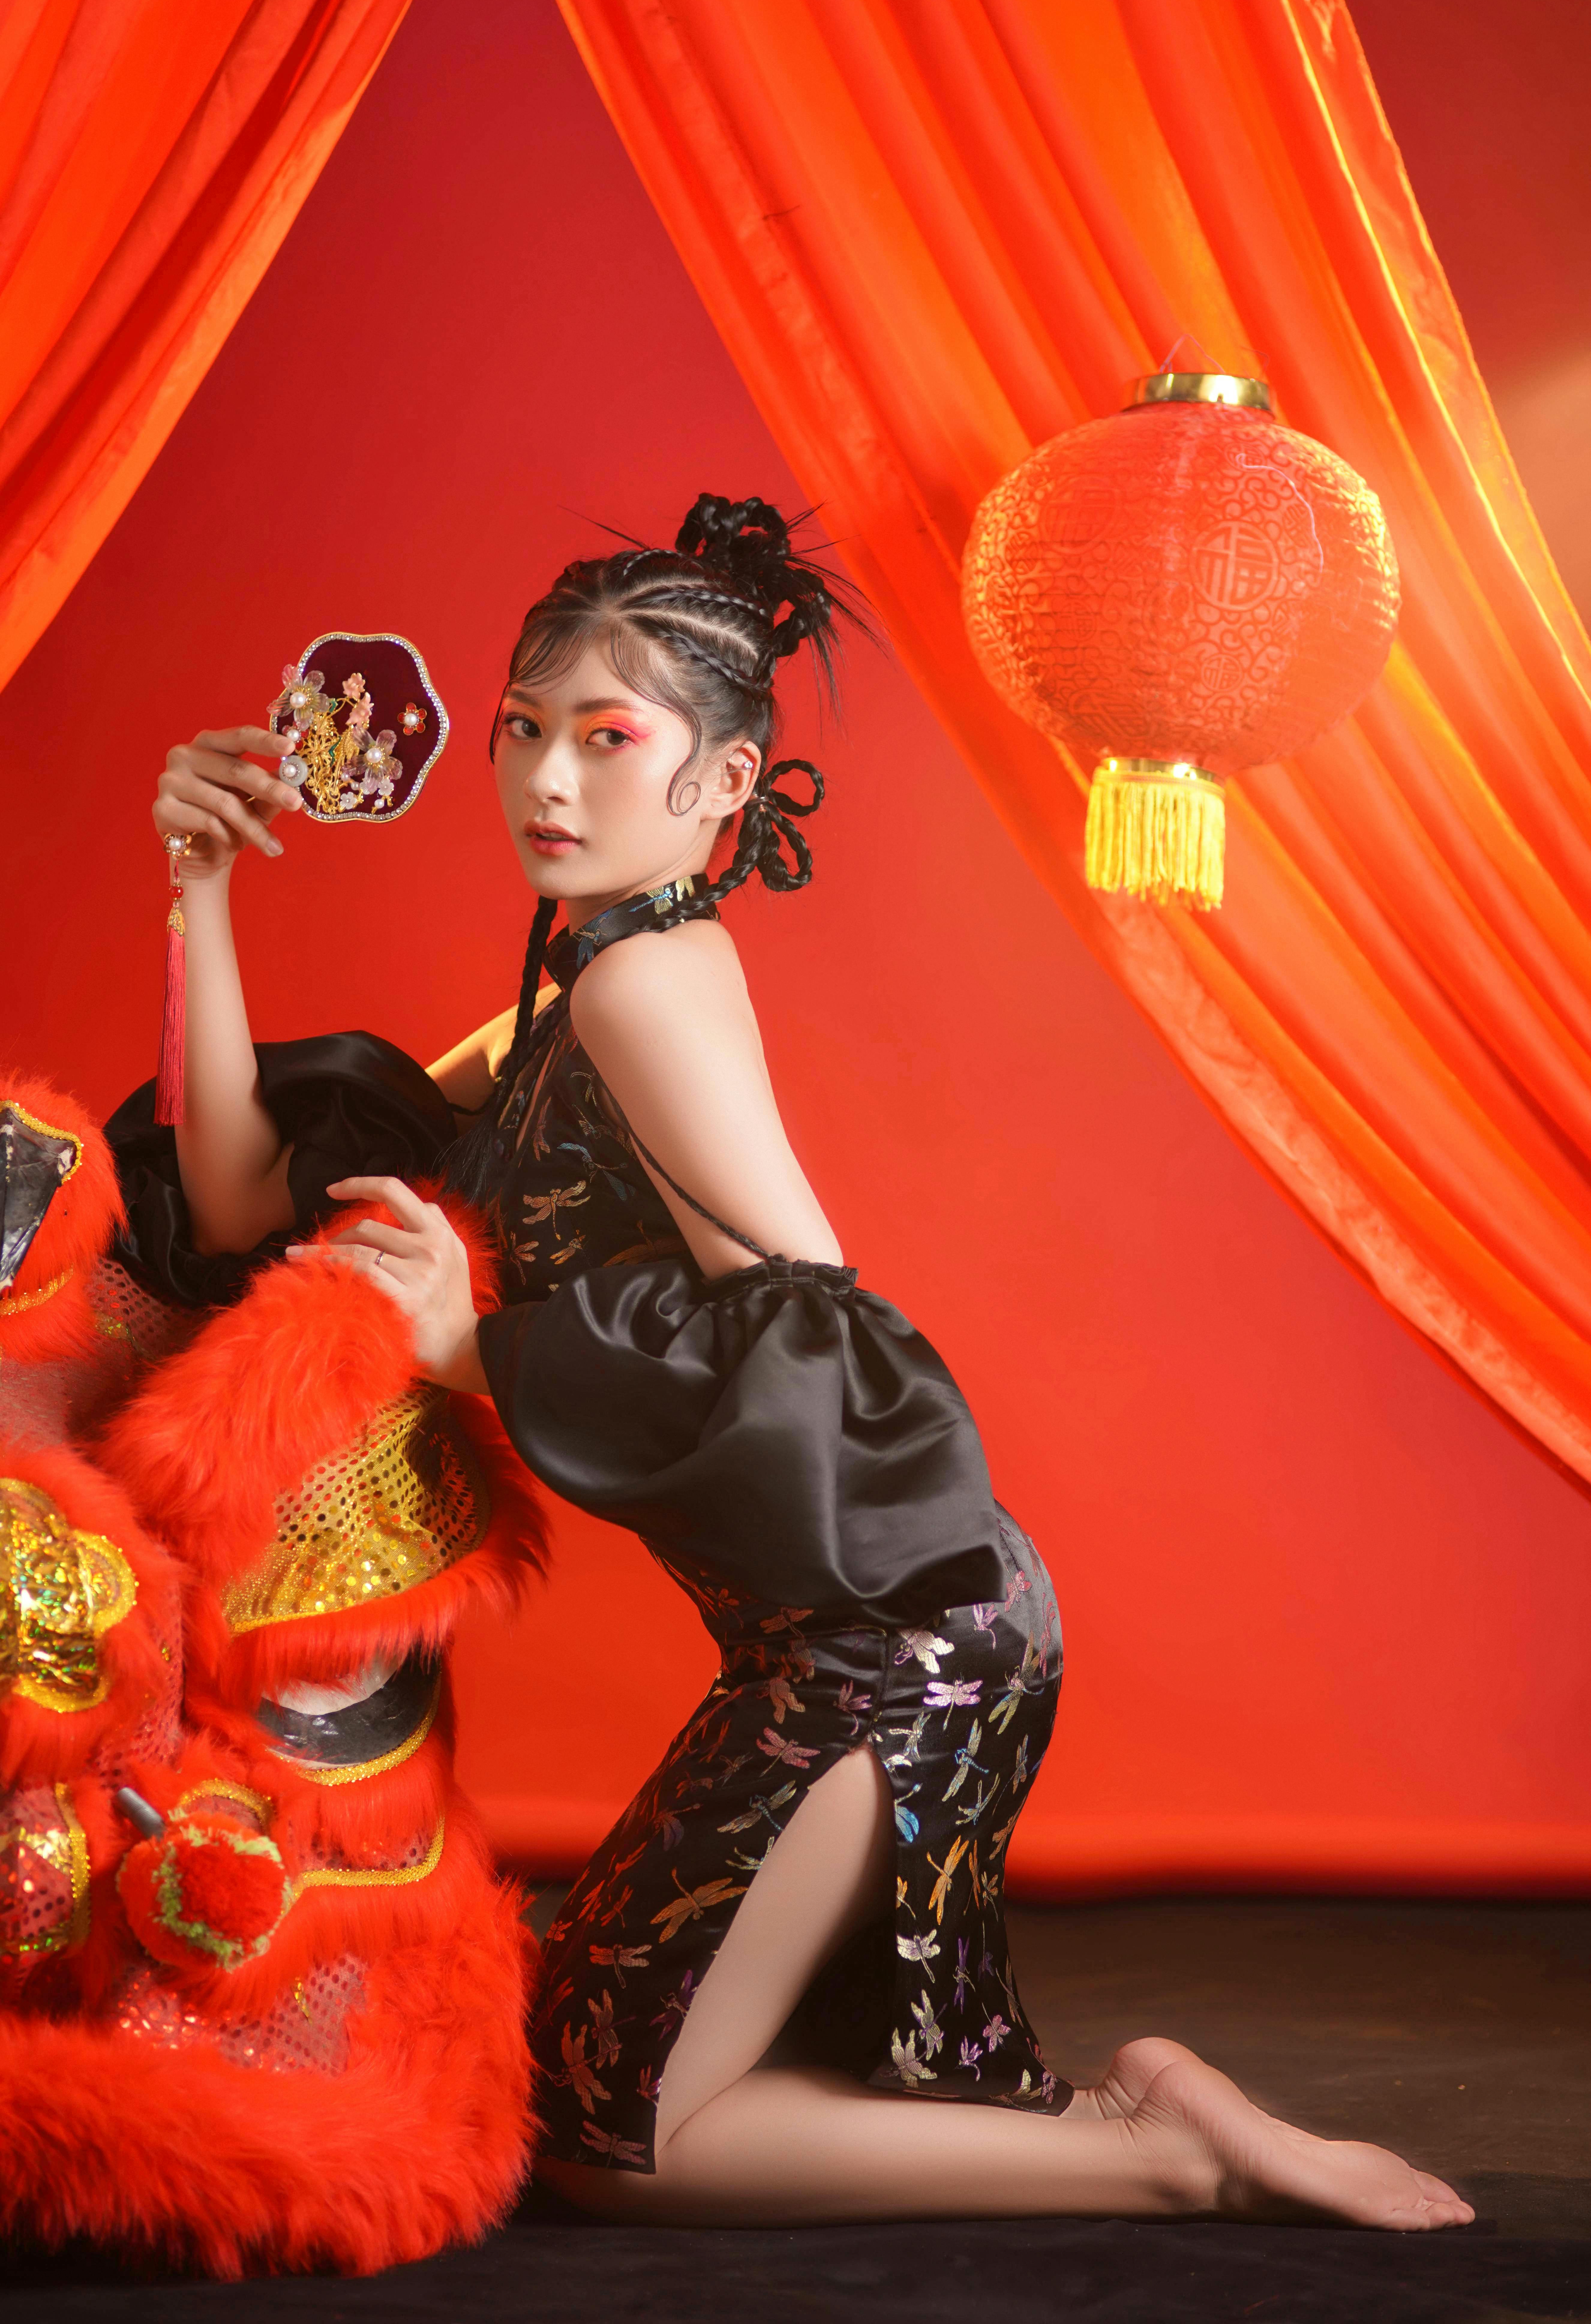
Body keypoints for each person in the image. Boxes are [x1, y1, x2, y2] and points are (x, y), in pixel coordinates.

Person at [134, 493, 1473, 2232]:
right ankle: (1129, 2100)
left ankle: (1171, 2164)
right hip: (836, 1630)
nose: (547, 781)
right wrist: (202, 891)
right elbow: (243, 1187)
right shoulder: (576, 988)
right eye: (523, 731)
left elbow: (818, 1335)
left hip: (900, 1634)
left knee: (627, 2149)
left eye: (607, 741)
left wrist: (478, 1347)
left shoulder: (644, 985)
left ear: (721, 786)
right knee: (570, 2060)